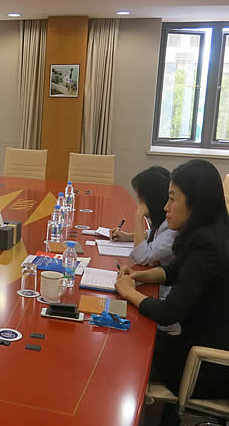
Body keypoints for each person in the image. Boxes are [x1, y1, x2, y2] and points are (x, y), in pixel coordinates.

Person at [115, 160, 229, 403]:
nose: (165, 207)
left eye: (172, 199)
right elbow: (173, 271)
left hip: (206, 366)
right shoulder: (208, 232)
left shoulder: (207, 248)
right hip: (200, 345)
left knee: (123, 353)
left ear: (195, 202)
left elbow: (168, 313)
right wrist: (138, 276)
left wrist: (128, 292)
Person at [111, 167, 178, 335]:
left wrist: (138, 215)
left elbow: (142, 256)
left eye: (141, 201)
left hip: (165, 304)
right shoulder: (164, 224)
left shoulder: (174, 230)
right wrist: (128, 236)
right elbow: (153, 234)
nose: (139, 205)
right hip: (157, 288)